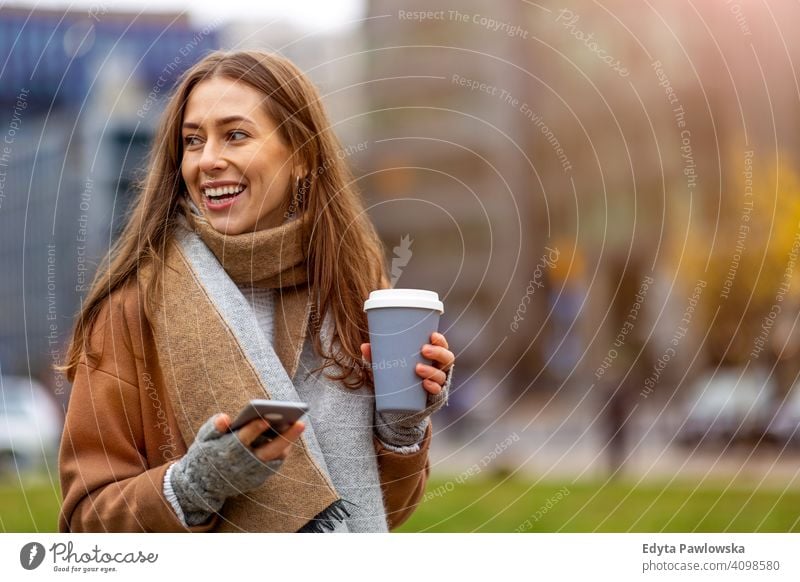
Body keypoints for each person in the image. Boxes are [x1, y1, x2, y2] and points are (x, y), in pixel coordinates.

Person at [57, 50, 455, 533]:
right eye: (193, 141)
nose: (208, 161)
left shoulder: (354, 291)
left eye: (236, 135)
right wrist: (194, 484)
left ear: (303, 155)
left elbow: (384, 513)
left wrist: (402, 426)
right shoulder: (131, 308)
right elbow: (85, 522)